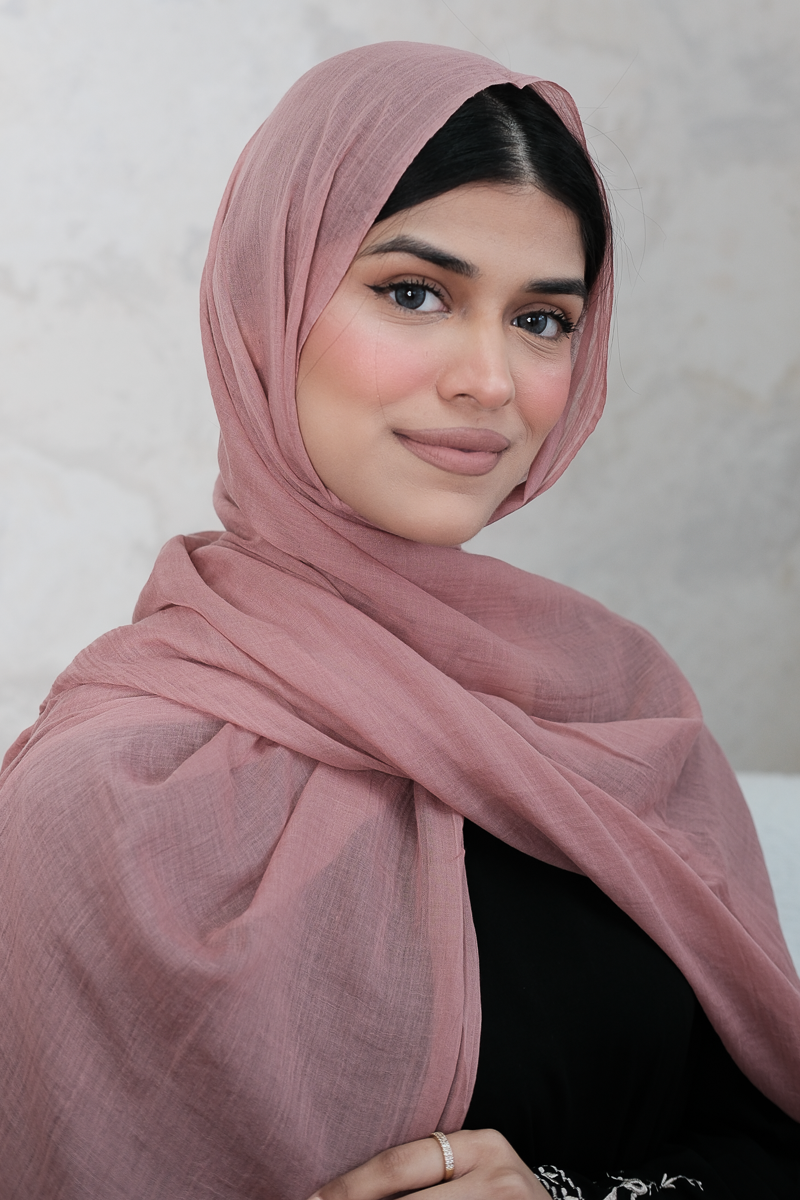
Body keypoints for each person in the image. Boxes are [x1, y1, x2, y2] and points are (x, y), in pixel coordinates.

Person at [1, 41, 798, 1200]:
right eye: (413, 293)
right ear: (267, 305)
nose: (490, 380)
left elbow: (767, 1138)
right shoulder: (105, 793)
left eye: (542, 319)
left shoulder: (623, 716)